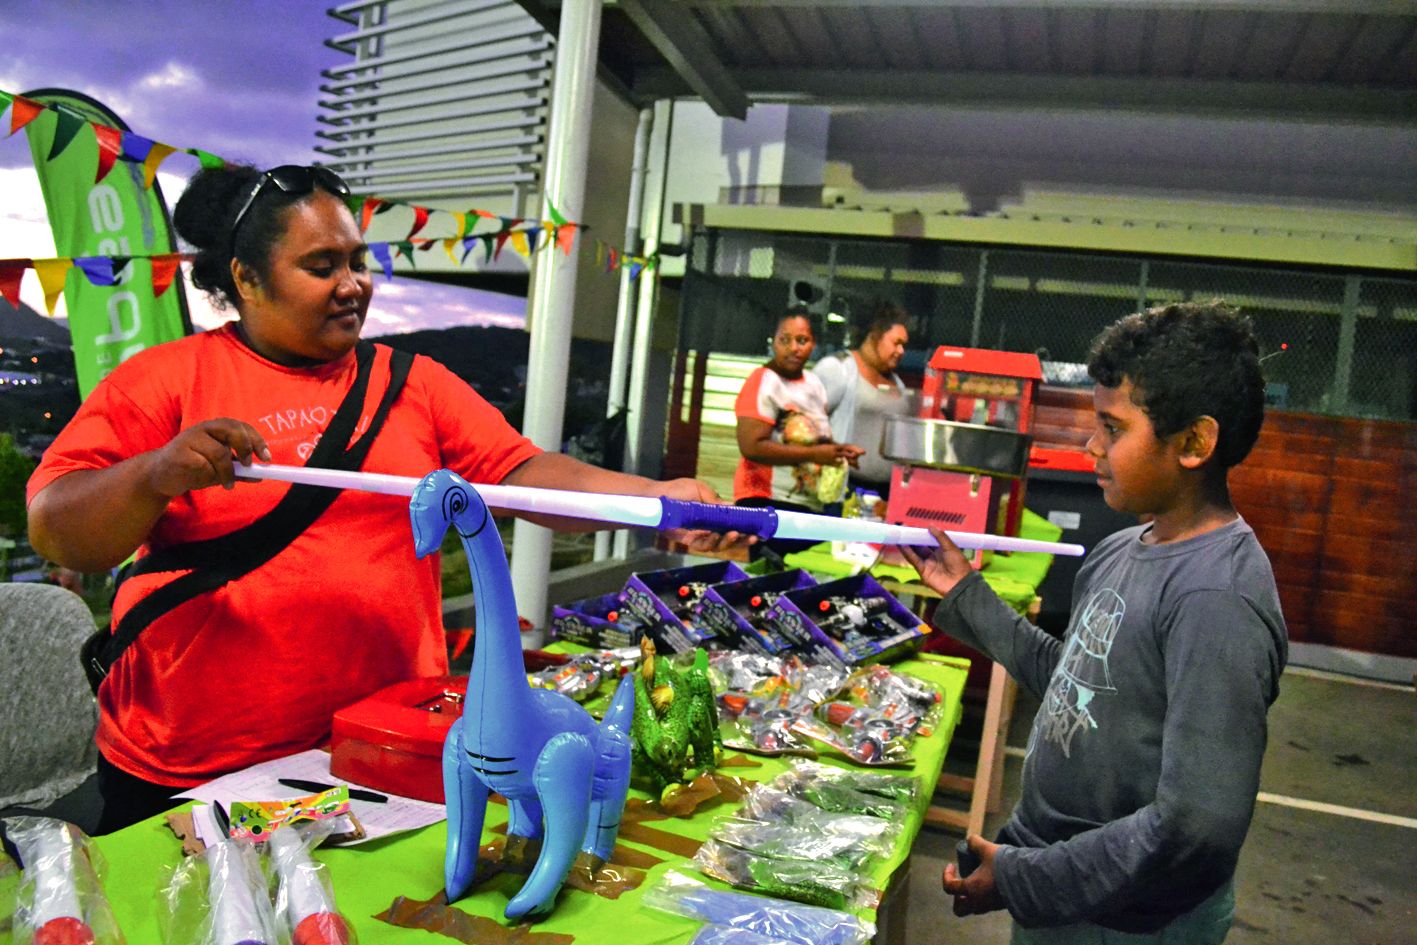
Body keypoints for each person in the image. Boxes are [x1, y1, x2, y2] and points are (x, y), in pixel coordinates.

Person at [26, 163, 744, 834]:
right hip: (195, 768)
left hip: (384, 750)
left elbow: (519, 473)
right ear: (246, 278)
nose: (353, 284)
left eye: (357, 261)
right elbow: (60, 532)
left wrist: (656, 501)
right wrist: (153, 473)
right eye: (321, 265)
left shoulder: (412, 383)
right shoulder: (165, 380)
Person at [899, 301, 1286, 943]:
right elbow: (1076, 677)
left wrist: (1028, 878)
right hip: (1068, 896)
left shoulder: (1217, 596)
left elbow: (1195, 827)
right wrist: (965, 592)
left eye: (1113, 427)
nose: (1091, 446)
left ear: (1194, 443)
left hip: (1132, 923)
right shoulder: (1122, 549)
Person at [733, 310, 863, 558]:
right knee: (770, 582)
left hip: (807, 506)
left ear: (813, 344)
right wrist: (817, 454)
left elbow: (816, 438)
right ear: (773, 342)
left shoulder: (813, 384)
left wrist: (838, 452)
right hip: (767, 506)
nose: (794, 348)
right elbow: (751, 446)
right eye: (785, 340)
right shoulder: (763, 381)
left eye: (802, 341)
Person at [812, 302, 911, 499]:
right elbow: (804, 424)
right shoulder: (838, 369)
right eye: (896, 343)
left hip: (885, 497)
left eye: (904, 346)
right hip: (841, 491)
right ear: (874, 336)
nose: (901, 351)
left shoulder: (897, 383)